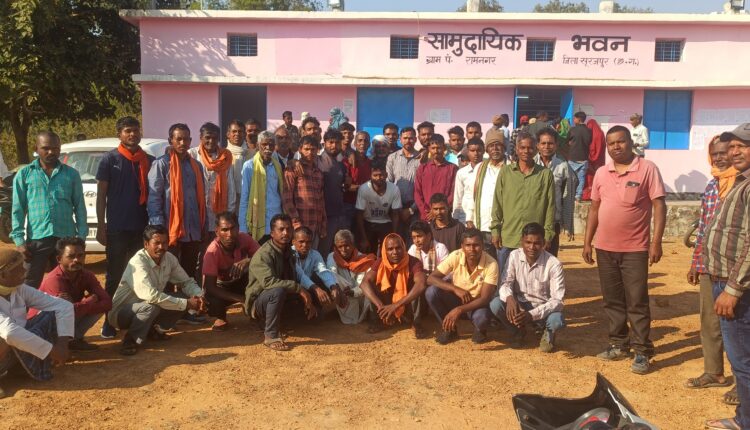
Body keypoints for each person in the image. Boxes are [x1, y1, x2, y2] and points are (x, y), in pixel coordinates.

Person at [582, 125, 666, 375]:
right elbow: (594, 209)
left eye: (620, 141)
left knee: (637, 301)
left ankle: (642, 351)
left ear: (631, 142)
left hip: (635, 249)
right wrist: (587, 242)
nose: (616, 147)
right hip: (604, 248)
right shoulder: (601, 172)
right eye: (611, 143)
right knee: (612, 300)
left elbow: (659, 206)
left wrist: (656, 242)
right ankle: (618, 344)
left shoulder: (647, 169)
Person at [703, 123, 750, 430]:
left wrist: (732, 289)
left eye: (741, 146)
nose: (734, 152)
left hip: (736, 285)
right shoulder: (740, 181)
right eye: (731, 146)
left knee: (742, 361)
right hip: (728, 280)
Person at [684, 136, 736, 399]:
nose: (718, 158)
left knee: (738, 326)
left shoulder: (742, 184)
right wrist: (696, 263)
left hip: (736, 268)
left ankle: (743, 383)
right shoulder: (712, 185)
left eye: (723, 152)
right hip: (708, 265)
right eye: (714, 153)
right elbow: (703, 228)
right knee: (709, 321)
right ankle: (714, 372)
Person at [108, 225, 206, 356]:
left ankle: (150, 330)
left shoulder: (169, 258)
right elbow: (150, 296)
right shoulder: (138, 262)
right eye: (157, 243)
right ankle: (130, 340)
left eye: (164, 243)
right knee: (153, 306)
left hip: (146, 306)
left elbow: (186, 282)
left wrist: (199, 297)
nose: (161, 247)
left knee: (182, 296)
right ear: (146, 244)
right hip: (121, 313)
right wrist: (186, 303)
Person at [96, 116, 153, 338]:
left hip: (142, 229)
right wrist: (101, 226)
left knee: (142, 275)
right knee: (115, 276)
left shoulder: (148, 160)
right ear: (119, 134)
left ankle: (139, 320)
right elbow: (101, 195)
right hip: (117, 228)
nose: (132, 134)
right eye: (128, 130)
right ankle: (109, 321)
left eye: (135, 130)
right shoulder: (109, 159)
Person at [11, 131, 87, 289]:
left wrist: (81, 236)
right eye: (46, 148)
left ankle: (66, 306)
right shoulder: (24, 174)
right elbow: (18, 209)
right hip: (37, 239)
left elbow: (80, 206)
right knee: (29, 284)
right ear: (36, 148)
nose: (51, 152)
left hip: (66, 240)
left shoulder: (71, 174)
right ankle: (29, 307)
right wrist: (19, 241)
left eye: (55, 148)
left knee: (68, 284)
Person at [0, 248, 74, 398]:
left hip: (15, 346)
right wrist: (52, 351)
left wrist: (62, 345)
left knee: (53, 312)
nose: (24, 270)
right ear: (3, 275)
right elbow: (10, 333)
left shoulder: (19, 289)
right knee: (5, 338)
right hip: (8, 342)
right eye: (19, 268)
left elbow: (63, 306)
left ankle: (21, 367)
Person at [244, 214, 316, 352]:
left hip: (282, 298)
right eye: (281, 229)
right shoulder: (263, 254)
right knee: (277, 291)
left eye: (288, 229)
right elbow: (269, 283)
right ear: (272, 233)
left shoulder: (289, 251)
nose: (285, 233)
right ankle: (271, 336)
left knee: (316, 313)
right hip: (260, 302)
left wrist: (308, 298)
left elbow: (292, 278)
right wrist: (299, 289)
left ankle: (282, 321)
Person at [490, 223, 565, 352]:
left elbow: (557, 301)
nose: (532, 247)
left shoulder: (554, 264)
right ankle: (517, 331)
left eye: (537, 243)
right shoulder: (514, 256)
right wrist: (509, 298)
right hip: (520, 305)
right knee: (496, 304)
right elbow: (506, 282)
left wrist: (531, 315)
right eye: (528, 242)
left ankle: (547, 333)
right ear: (521, 242)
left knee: (556, 320)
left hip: (543, 307)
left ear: (543, 243)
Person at [148, 123, 207, 282]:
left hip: (192, 229)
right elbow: (154, 198)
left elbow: (201, 199)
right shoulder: (161, 164)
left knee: (188, 273)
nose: (182, 143)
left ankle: (188, 298)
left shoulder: (196, 166)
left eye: (186, 139)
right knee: (166, 274)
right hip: (169, 230)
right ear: (170, 141)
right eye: (178, 139)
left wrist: (203, 225)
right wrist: (159, 228)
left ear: (191, 141)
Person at [491, 132, 555, 277]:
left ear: (536, 149)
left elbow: (550, 207)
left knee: (532, 280)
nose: (526, 151)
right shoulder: (506, 172)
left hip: (534, 242)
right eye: (522, 147)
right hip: (508, 238)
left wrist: (548, 234)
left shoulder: (545, 174)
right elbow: (497, 203)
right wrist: (495, 231)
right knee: (504, 280)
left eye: (530, 148)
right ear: (516, 149)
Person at [30, 237, 111, 351]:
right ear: (59, 259)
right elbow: (63, 314)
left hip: (66, 316)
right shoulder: (54, 280)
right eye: (71, 256)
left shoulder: (87, 275)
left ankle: (73, 341)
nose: (77, 260)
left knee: (99, 308)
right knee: (60, 313)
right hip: (39, 328)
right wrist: (88, 302)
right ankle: (56, 346)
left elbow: (107, 303)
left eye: (80, 255)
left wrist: (75, 306)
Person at [426, 229, 497, 345]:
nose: (472, 249)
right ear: (462, 247)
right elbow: (431, 278)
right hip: (457, 299)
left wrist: (459, 310)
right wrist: (455, 289)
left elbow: (485, 298)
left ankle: (480, 330)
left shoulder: (491, 264)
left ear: (483, 246)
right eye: (468, 245)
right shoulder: (456, 255)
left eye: (476, 245)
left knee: (482, 318)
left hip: (477, 304)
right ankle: (449, 329)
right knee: (431, 292)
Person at [359, 233, 427, 338]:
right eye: (390, 249)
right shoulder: (380, 262)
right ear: (384, 251)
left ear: (403, 247)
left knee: (416, 287)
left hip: (406, 307)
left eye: (398, 248)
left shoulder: (414, 262)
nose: (395, 252)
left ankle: (416, 323)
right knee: (370, 286)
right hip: (385, 305)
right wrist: (381, 307)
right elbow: (364, 283)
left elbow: (421, 284)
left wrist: (395, 306)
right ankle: (378, 321)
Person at [202, 212, 260, 331]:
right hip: (221, 286)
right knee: (211, 300)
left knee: (260, 278)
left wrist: (248, 260)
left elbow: (264, 256)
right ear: (217, 231)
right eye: (224, 230)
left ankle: (256, 315)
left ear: (238, 228)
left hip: (241, 281)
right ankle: (220, 316)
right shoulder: (212, 251)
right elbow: (210, 287)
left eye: (233, 228)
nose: (229, 234)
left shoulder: (245, 238)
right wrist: (241, 299)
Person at [188, 122, 237, 234]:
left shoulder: (225, 157)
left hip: (218, 212)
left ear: (219, 139)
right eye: (207, 137)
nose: (211, 141)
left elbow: (230, 186)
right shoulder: (191, 155)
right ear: (201, 137)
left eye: (214, 138)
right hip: (196, 210)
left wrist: (229, 212)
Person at [535, 129, 576, 256]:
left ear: (556, 145)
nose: (547, 146)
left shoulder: (563, 166)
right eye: (543, 143)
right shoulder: (531, 164)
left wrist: (568, 225)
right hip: (533, 219)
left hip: (553, 221)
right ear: (538, 145)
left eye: (550, 143)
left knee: (550, 259)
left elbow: (568, 196)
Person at [283, 136, 327, 250]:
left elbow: (321, 201)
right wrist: (297, 224)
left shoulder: (318, 173)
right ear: (300, 150)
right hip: (300, 225)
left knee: (312, 256)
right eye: (306, 149)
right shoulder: (293, 169)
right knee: (297, 257)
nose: (310, 152)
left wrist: (323, 224)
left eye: (313, 149)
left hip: (315, 226)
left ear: (317, 150)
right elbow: (287, 200)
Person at [239, 131, 284, 242]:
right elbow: (245, 197)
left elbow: (280, 193)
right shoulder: (249, 166)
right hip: (257, 220)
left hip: (275, 218)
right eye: (264, 144)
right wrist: (243, 228)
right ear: (258, 145)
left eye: (271, 145)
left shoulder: (277, 166)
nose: (268, 148)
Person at [292, 227, 346, 319]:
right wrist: (316, 289)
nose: (305, 245)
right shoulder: (290, 254)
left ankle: (324, 308)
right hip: (293, 287)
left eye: (309, 242)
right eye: (301, 242)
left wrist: (333, 287)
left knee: (331, 283)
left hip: (308, 286)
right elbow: (300, 275)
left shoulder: (314, 254)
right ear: (293, 242)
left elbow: (323, 271)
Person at [466, 133, 506, 253]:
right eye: (491, 145)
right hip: (482, 226)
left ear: (504, 147)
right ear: (487, 149)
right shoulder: (480, 168)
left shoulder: (512, 167)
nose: (495, 148)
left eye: (498, 145)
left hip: (504, 228)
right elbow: (470, 194)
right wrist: (469, 218)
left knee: (503, 262)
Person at [327, 230, 376, 324]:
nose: (344, 249)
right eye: (340, 246)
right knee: (330, 275)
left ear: (353, 245)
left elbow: (363, 283)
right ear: (335, 247)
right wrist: (338, 289)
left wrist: (353, 292)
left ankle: (372, 316)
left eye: (347, 245)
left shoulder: (363, 259)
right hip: (342, 293)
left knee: (370, 282)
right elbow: (332, 274)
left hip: (360, 293)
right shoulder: (332, 257)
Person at [317, 128, 351, 258]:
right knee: (323, 251)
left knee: (339, 251)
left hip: (339, 213)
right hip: (324, 215)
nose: (334, 145)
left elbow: (342, 187)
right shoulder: (317, 161)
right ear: (324, 143)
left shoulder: (341, 164)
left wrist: (347, 184)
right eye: (331, 142)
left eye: (337, 142)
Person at [355, 162, 401, 253]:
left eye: (381, 175)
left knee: (387, 251)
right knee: (367, 252)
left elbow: (395, 214)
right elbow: (359, 215)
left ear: (386, 175)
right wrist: (364, 238)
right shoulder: (364, 189)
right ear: (370, 176)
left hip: (385, 222)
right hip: (368, 222)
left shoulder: (394, 189)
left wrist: (394, 235)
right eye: (375, 175)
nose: (378, 178)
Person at [414, 135, 457, 222]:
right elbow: (417, 192)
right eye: (433, 148)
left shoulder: (452, 168)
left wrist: (439, 210)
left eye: (439, 148)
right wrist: (425, 212)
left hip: (445, 215)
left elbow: (454, 192)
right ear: (429, 149)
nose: (436, 151)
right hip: (426, 216)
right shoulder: (422, 168)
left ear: (444, 148)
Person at [386, 126, 421, 233]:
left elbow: (423, 187)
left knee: (414, 239)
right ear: (400, 139)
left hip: (415, 207)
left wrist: (411, 210)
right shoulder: (392, 158)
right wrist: (396, 208)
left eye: (411, 138)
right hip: (396, 208)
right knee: (397, 237)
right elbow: (388, 183)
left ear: (415, 139)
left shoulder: (422, 159)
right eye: (405, 138)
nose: (408, 141)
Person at [453, 138, 484, 225]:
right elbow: (458, 197)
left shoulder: (489, 171)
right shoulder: (462, 173)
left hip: (484, 217)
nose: (476, 153)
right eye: (472, 151)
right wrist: (455, 218)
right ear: (468, 152)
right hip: (465, 217)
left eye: (479, 150)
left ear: (484, 151)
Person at [343, 131, 372, 222]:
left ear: (369, 144)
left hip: (366, 205)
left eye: (365, 141)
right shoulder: (346, 162)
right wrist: (363, 188)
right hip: (349, 204)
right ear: (355, 143)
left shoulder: (371, 163)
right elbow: (345, 186)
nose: (362, 143)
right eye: (360, 140)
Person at [566, 111, 592, 201]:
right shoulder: (589, 131)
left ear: (579, 119)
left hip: (573, 157)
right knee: (581, 177)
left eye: (575, 118)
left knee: (570, 177)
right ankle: (578, 195)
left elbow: (567, 141)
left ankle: (570, 194)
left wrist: (571, 143)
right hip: (584, 157)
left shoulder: (573, 130)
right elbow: (589, 142)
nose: (574, 120)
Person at [582, 118, 606, 201]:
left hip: (590, 158)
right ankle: (597, 194)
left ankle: (588, 194)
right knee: (598, 175)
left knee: (589, 177)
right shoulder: (601, 133)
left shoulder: (589, 134)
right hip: (600, 159)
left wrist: (590, 156)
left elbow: (590, 147)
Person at [225, 119, 247, 206]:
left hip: (248, 200)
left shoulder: (252, 154)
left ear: (244, 134)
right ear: (228, 134)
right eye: (234, 131)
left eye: (240, 131)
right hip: (228, 200)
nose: (237, 134)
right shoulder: (223, 155)